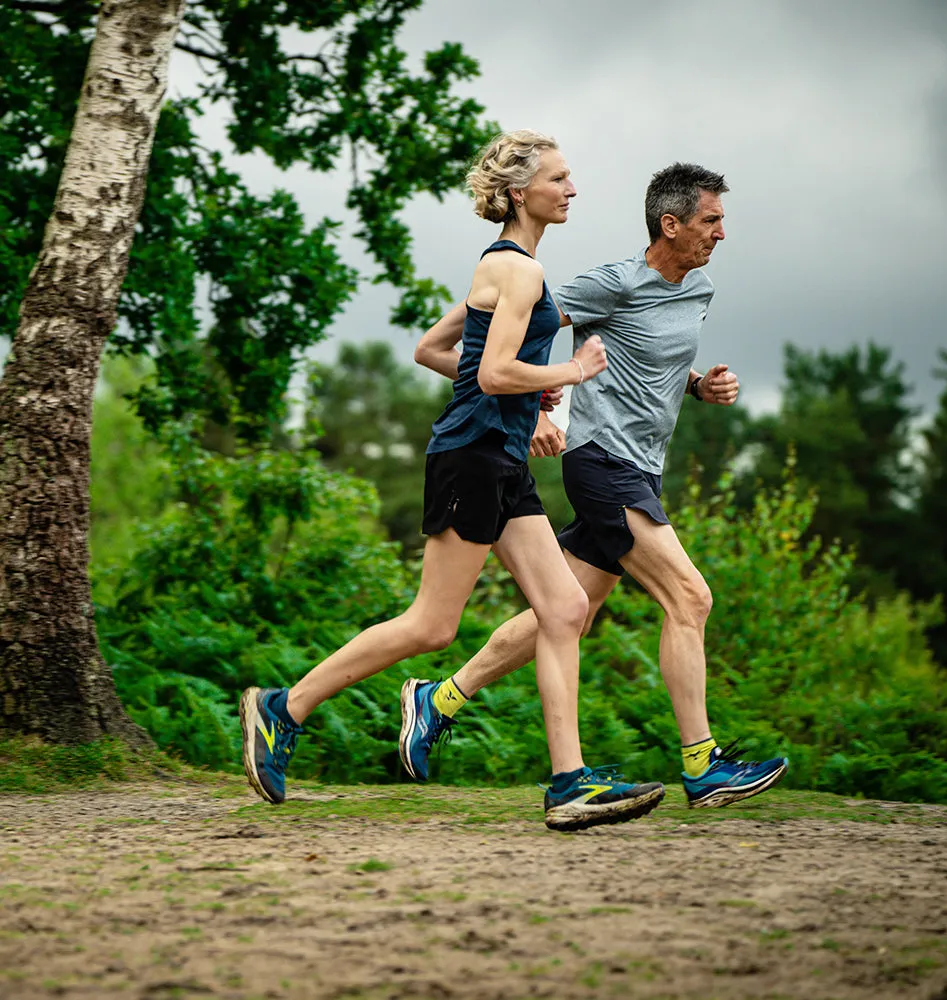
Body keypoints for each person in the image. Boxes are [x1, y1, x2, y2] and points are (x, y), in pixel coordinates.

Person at [240, 129, 666, 832]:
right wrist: (567, 373)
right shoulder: (519, 272)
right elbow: (495, 372)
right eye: (559, 178)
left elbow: (436, 351)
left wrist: (525, 409)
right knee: (432, 625)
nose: (572, 190)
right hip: (472, 456)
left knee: (564, 611)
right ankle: (283, 710)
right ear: (520, 192)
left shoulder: (509, 268)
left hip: (498, 453)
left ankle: (569, 784)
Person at [401, 162, 789, 809]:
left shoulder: (698, 291)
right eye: (710, 220)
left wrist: (698, 385)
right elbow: (498, 336)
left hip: (642, 468)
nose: (722, 234)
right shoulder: (610, 284)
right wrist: (540, 412)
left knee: (566, 613)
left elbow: (648, 354)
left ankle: (437, 700)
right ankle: (704, 765)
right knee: (690, 599)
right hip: (602, 463)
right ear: (671, 224)